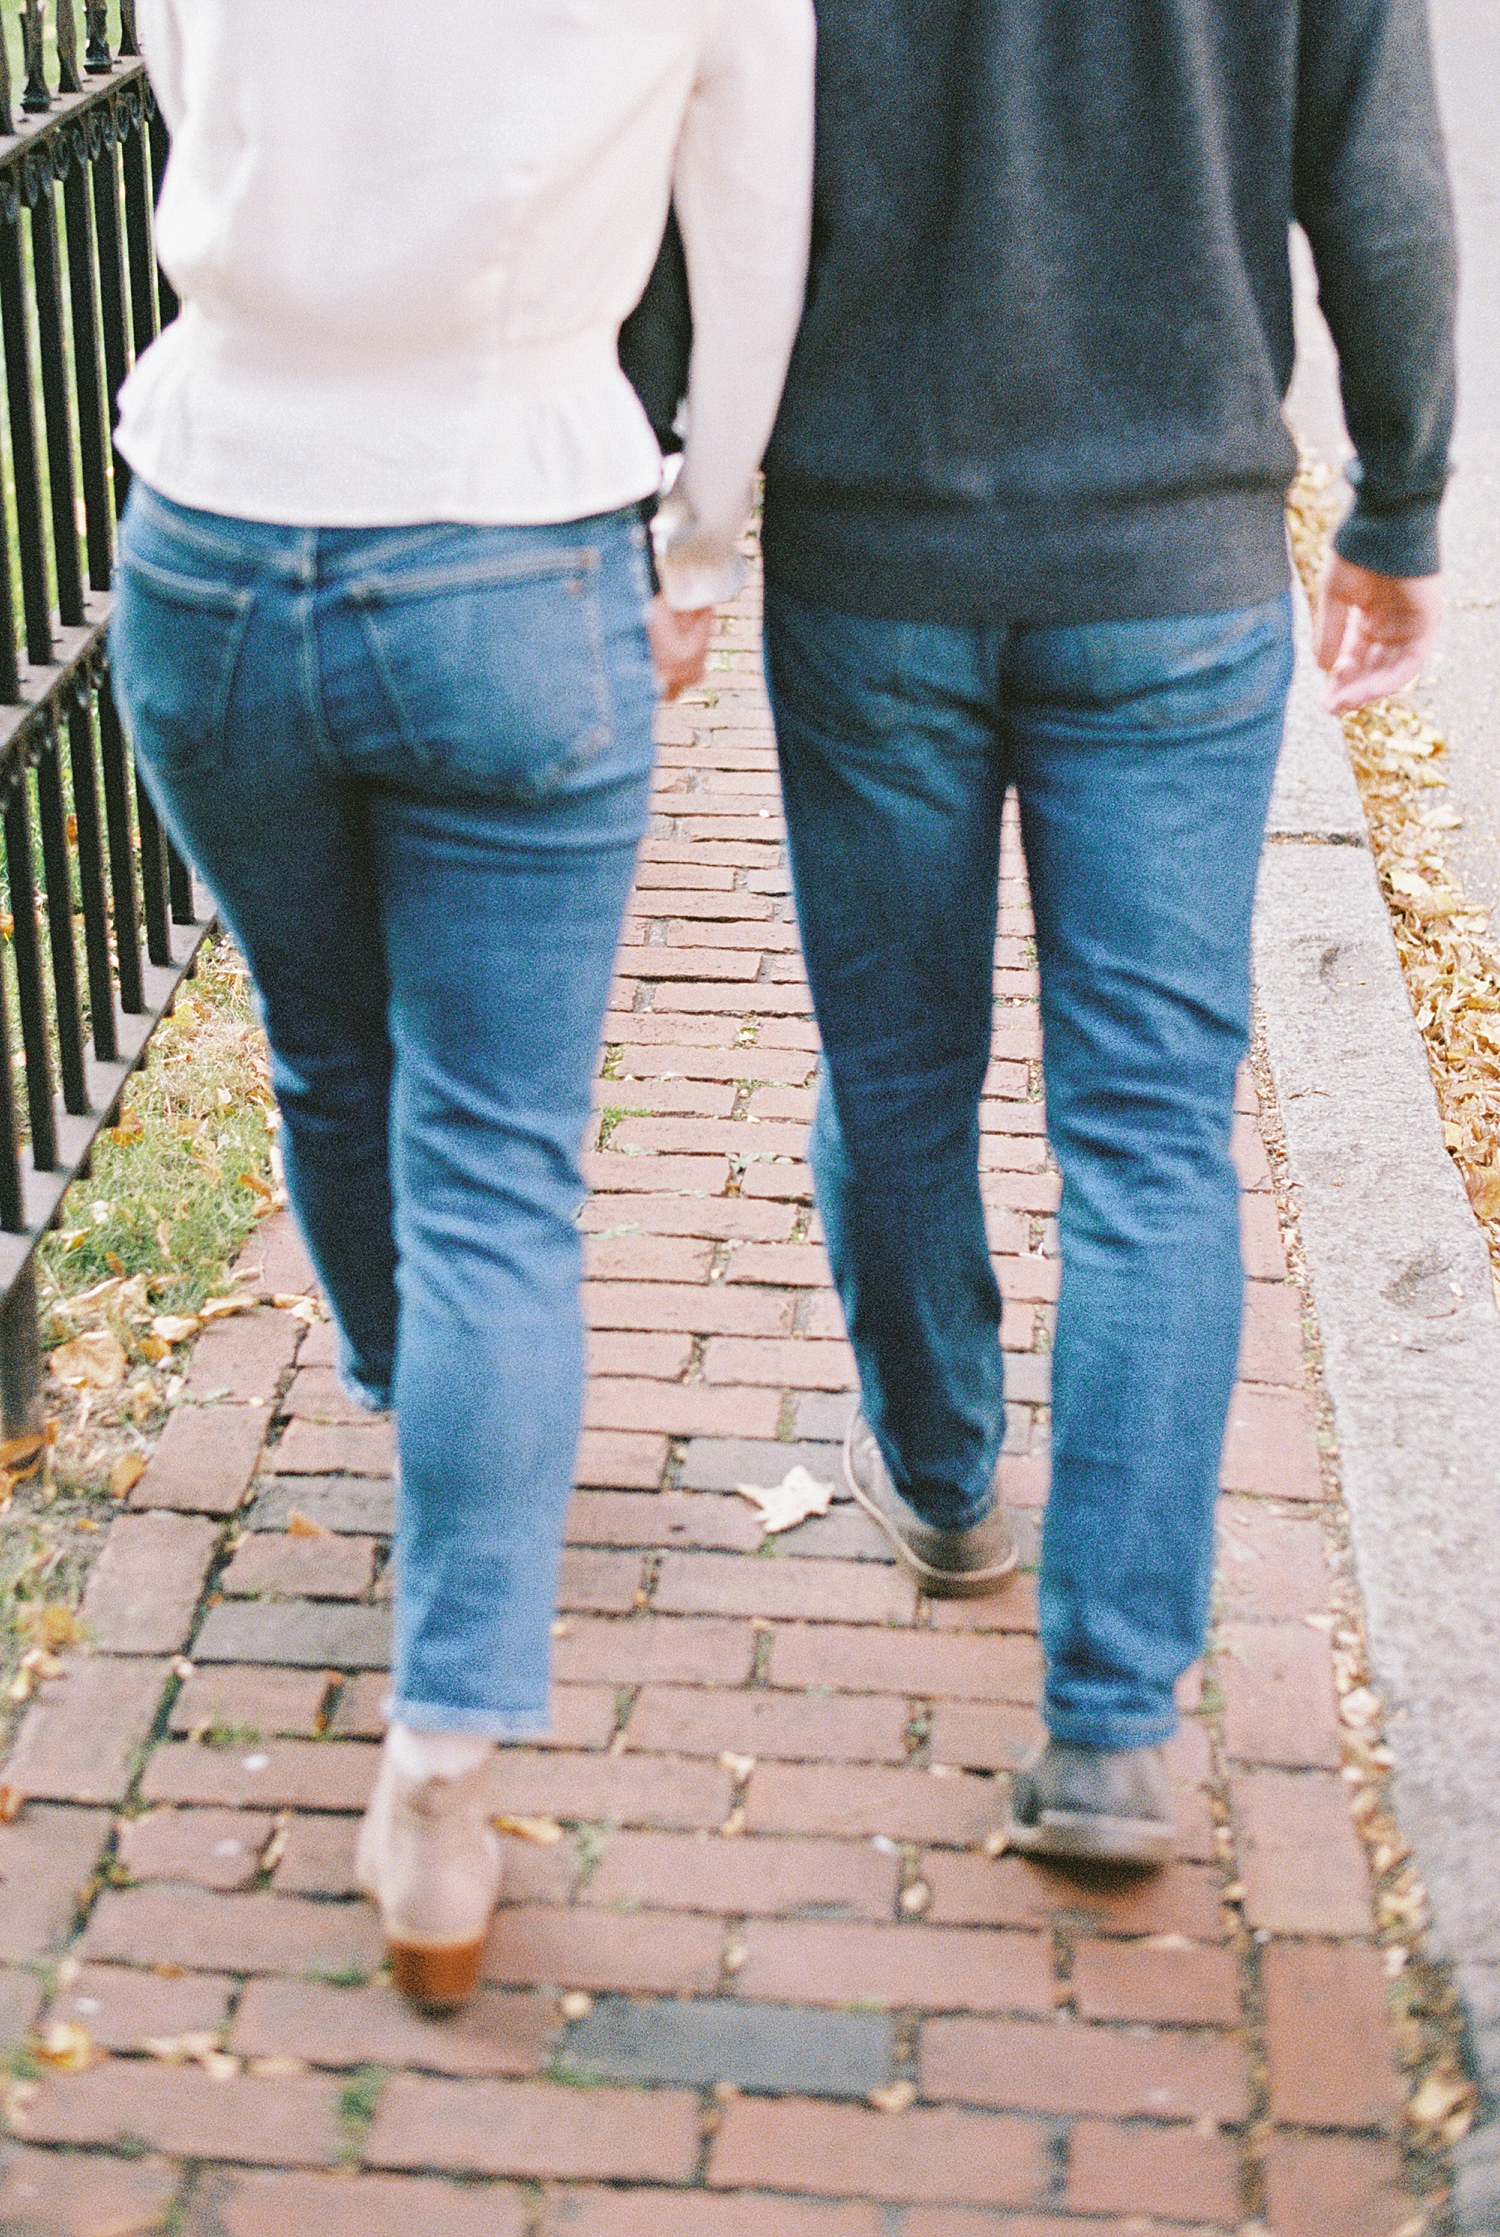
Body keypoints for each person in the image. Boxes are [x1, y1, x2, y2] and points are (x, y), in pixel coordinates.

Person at [624, 0, 1455, 1866]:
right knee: (1154, 1129)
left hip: (871, 552)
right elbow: (1382, 184)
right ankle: (1111, 1728)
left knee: (898, 1067)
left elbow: (687, 152)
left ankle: (938, 1480)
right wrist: (1397, 491)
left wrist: (673, 480)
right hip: (1170, 567)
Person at [112, 0, 814, 2005]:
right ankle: (443, 1754)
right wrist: (697, 536)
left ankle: (431, 1417)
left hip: (223, 517)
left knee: (332, 1054)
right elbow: (749, 246)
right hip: (514, 532)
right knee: (498, 1162)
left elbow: (185, 90)